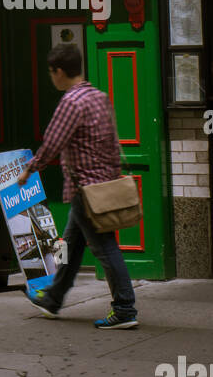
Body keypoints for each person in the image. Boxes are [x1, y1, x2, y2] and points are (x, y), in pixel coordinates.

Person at [17, 42, 137, 329]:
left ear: (59, 71)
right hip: (99, 186)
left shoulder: (71, 102)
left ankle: (124, 308)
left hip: (85, 188)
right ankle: (53, 299)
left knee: (106, 249)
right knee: (69, 246)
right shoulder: (99, 96)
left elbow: (52, 143)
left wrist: (29, 170)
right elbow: (112, 141)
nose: (52, 77)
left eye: (51, 72)